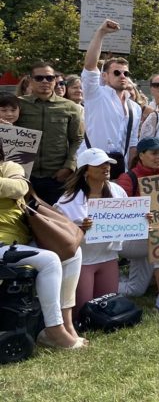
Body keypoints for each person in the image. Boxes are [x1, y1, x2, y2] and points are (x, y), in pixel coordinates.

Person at [0, 148, 85, 349]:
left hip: (18, 241)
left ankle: (65, 322)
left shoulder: (8, 167)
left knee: (71, 252)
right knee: (49, 260)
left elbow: (20, 187)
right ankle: (54, 330)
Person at [114, 137, 159, 314]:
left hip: (149, 238)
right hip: (127, 240)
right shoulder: (128, 178)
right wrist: (142, 216)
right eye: (154, 153)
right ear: (141, 155)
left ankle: (104, 284)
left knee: (136, 290)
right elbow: (118, 215)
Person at [55, 148, 128, 317]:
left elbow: (129, 218)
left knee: (108, 311)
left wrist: (142, 220)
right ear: (85, 170)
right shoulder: (68, 200)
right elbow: (59, 234)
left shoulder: (117, 192)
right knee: (82, 313)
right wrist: (80, 229)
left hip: (108, 256)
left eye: (107, 163)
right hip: (82, 260)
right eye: (99, 164)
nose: (106, 167)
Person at [15, 61, 84, 204]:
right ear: (31, 80)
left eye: (49, 78)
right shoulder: (17, 104)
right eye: (39, 78)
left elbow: (77, 140)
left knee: (55, 220)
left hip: (57, 176)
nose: (45, 81)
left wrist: (68, 167)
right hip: (24, 176)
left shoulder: (70, 107)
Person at [81, 19, 141, 177]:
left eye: (125, 73)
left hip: (119, 169)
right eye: (117, 72)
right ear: (105, 76)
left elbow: (133, 142)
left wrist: (131, 172)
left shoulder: (135, 108)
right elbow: (89, 66)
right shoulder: (96, 94)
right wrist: (101, 33)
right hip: (90, 166)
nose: (122, 76)